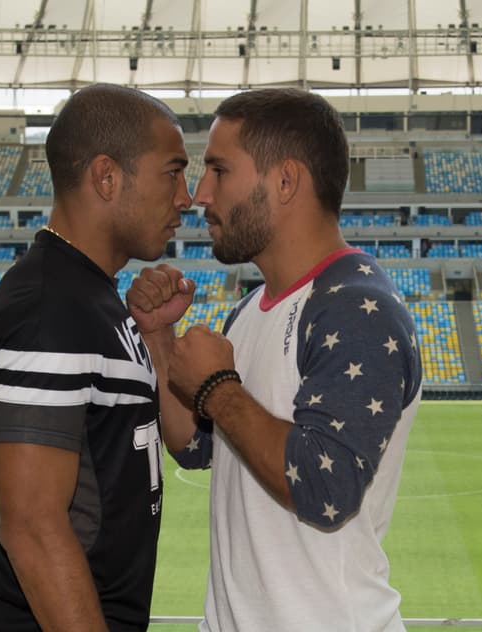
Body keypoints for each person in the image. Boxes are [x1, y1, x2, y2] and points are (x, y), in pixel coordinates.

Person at [127, 88, 423, 631]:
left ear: (285, 181)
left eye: (219, 170)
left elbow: (325, 490)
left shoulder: (358, 310)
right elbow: (195, 447)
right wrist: (159, 337)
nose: (199, 194)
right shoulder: (250, 310)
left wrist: (218, 386)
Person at [0, 83, 192, 632]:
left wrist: (159, 339)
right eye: (172, 171)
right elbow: (34, 528)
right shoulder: (51, 312)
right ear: (107, 176)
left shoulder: (91, 300)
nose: (186, 196)